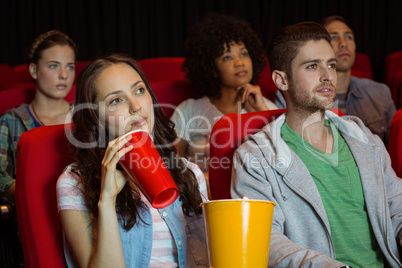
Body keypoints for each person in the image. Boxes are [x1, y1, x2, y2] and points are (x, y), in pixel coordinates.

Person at [231, 22, 402, 267]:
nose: (328, 76)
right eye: (312, 66)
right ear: (281, 80)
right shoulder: (254, 157)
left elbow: (398, 207)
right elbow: (266, 241)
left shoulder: (364, 140)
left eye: (330, 64)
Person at [56, 54, 208, 267]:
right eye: (116, 100)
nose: (136, 106)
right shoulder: (73, 182)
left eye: (139, 90)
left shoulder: (189, 173)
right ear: (95, 119)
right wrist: (107, 199)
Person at [170, 13, 277, 172]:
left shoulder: (265, 106)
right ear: (212, 69)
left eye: (243, 54)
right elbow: (171, 162)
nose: (240, 62)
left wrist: (261, 112)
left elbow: (284, 156)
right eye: (227, 57)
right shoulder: (189, 109)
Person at [0, 30, 76, 202]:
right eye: (54, 66)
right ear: (34, 70)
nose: (64, 75)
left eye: (70, 66)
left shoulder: (84, 117)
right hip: (31, 215)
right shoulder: (11, 121)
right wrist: (35, 195)